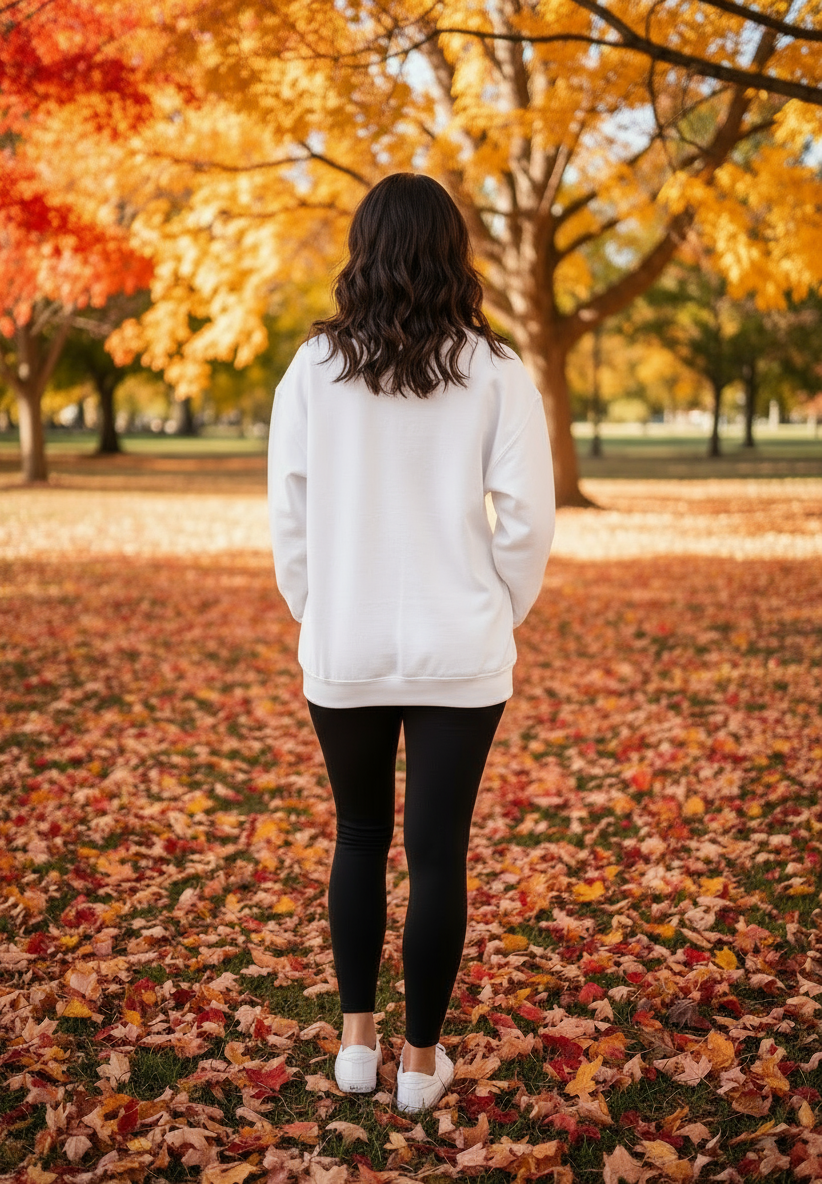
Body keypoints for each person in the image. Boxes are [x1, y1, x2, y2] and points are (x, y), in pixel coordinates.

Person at [267, 172, 555, 1114]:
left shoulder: (311, 369)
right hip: (460, 651)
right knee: (438, 855)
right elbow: (528, 520)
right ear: (453, 253)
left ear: (363, 252)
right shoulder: (499, 369)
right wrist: (495, 611)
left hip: (343, 647)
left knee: (357, 838)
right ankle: (421, 1064)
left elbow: (290, 516)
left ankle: (356, 1047)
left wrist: (319, 609)